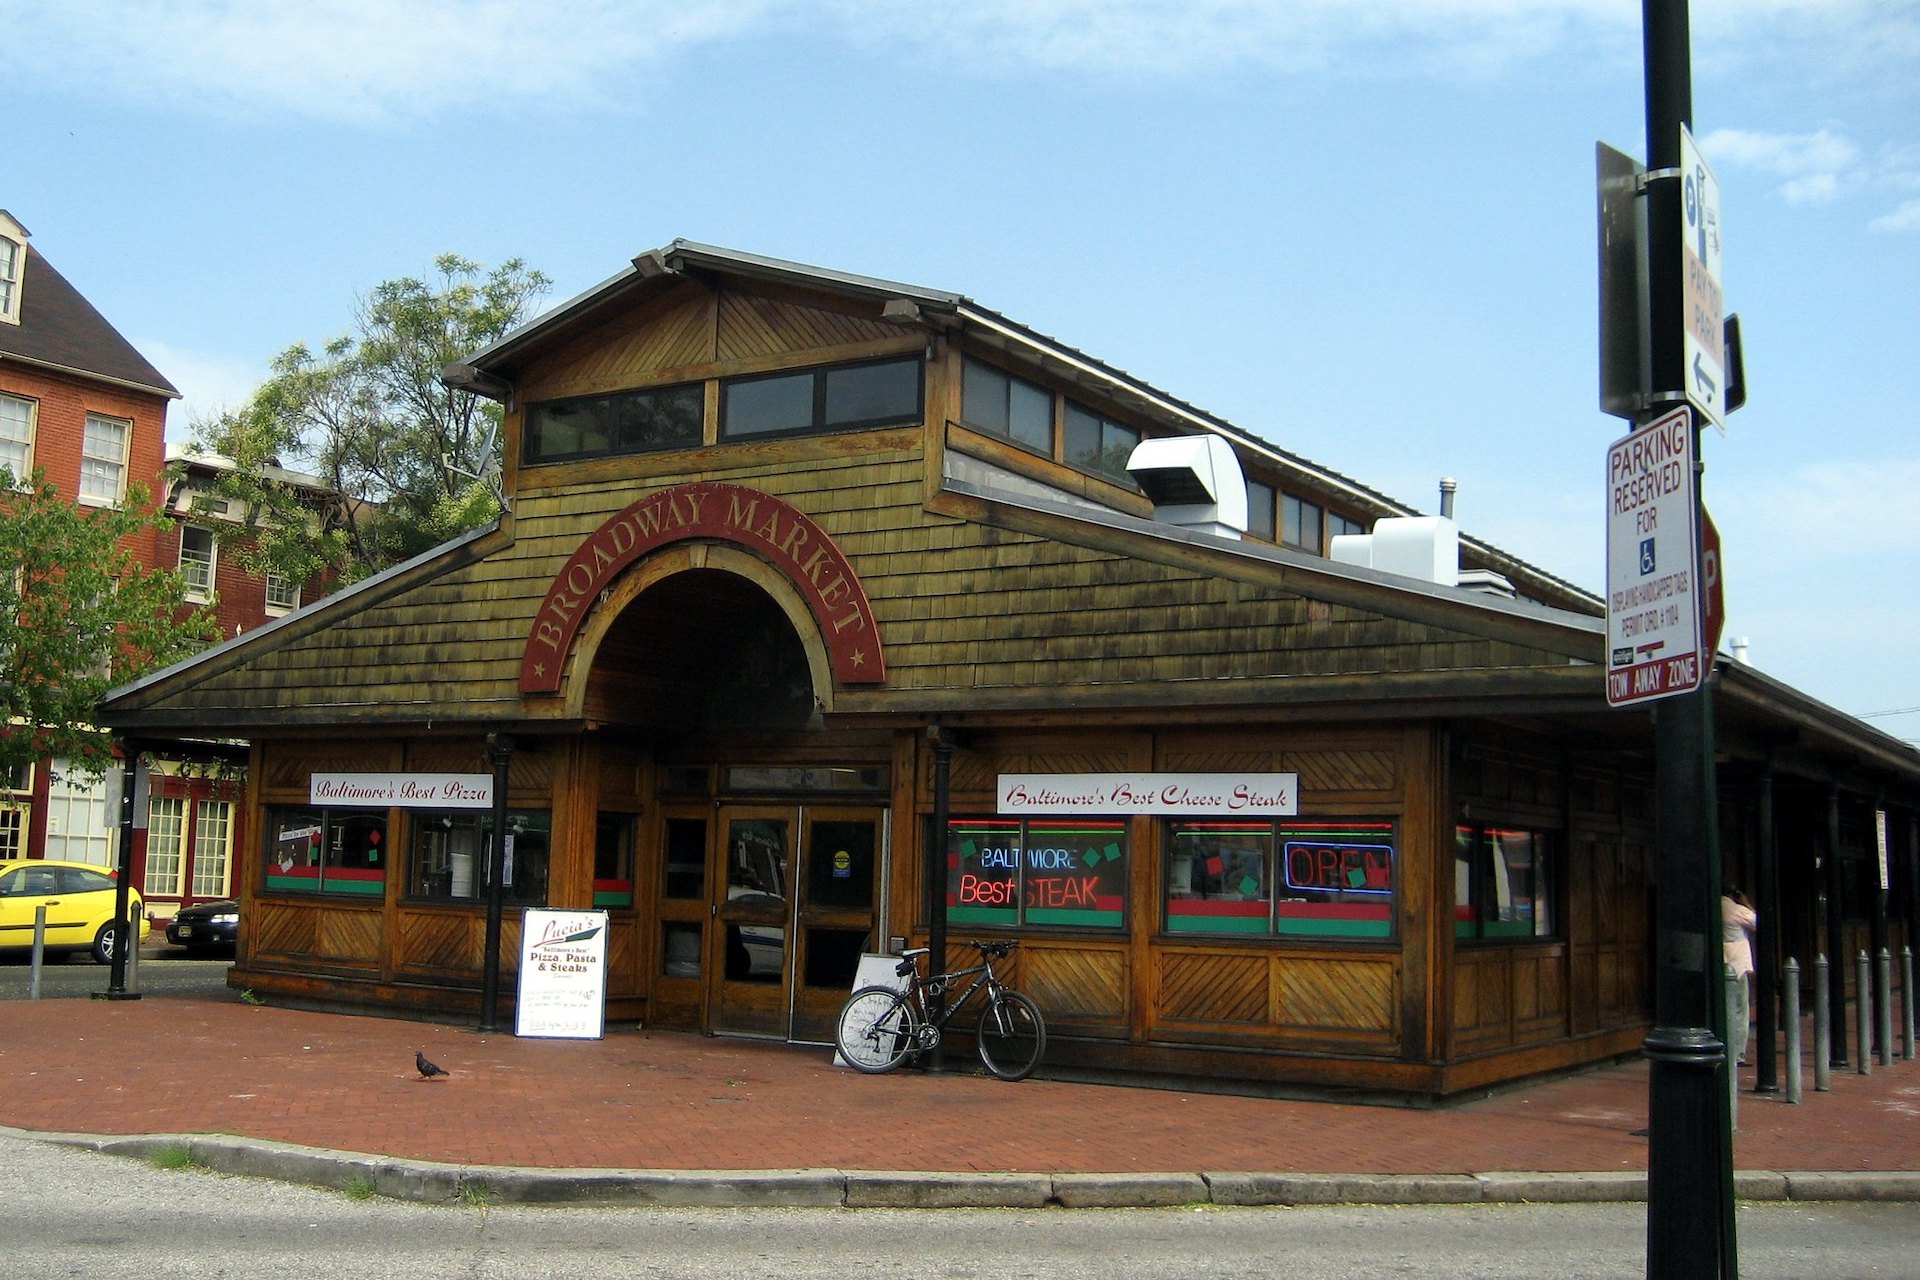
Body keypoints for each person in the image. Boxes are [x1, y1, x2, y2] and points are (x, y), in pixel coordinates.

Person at [1722, 885, 1758, 1067]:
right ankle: (1737, 1053)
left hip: (1722, 961)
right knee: (1739, 1009)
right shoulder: (1736, 910)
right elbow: (1757, 921)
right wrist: (1745, 902)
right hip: (1738, 965)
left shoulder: (1715, 907)